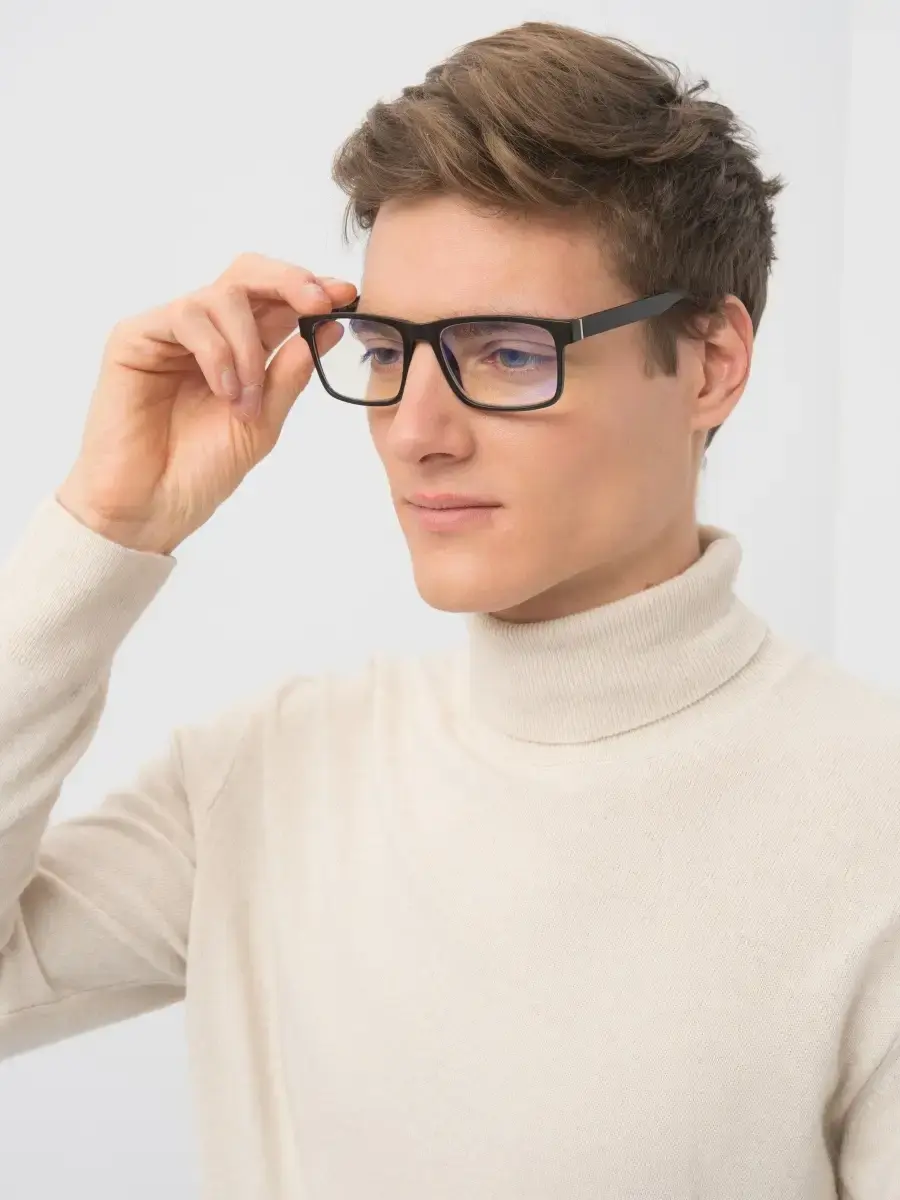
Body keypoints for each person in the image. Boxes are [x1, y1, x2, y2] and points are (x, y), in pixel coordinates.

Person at [1, 17, 899, 1200]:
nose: (414, 432)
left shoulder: (871, 823)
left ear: (712, 364)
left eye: (510, 353)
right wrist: (104, 527)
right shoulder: (266, 778)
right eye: (387, 350)